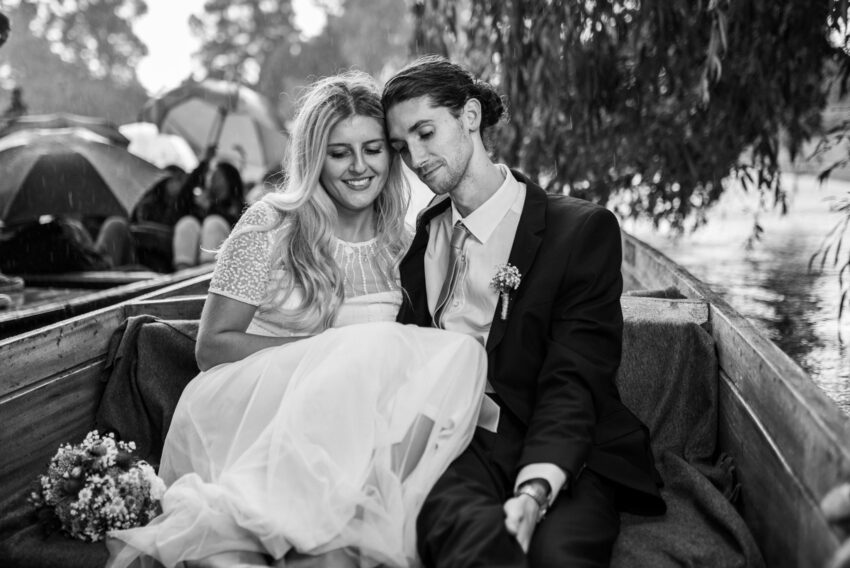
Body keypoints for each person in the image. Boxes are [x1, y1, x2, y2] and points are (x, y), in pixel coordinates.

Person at [106, 71, 488, 568]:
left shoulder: (402, 238)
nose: (358, 167)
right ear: (313, 156)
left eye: (373, 149)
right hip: (262, 414)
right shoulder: (269, 224)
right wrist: (326, 353)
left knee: (454, 358)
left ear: (392, 155)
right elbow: (211, 345)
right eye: (338, 152)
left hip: (356, 431)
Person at [383, 56, 666, 567]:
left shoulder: (579, 232)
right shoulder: (424, 235)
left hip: (562, 442)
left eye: (426, 132)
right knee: (471, 547)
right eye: (402, 147)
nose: (416, 158)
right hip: (457, 445)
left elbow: (574, 378)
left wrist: (535, 489)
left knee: (560, 556)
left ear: (470, 116)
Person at [172, 159, 246, 270]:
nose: (213, 181)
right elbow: (180, 202)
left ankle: (207, 271)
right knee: (187, 223)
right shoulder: (201, 202)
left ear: (230, 180)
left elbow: (236, 226)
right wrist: (203, 163)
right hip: (193, 261)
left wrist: (210, 208)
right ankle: (183, 271)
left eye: (219, 177)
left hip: (225, 263)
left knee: (213, 222)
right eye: (212, 177)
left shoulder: (240, 207)